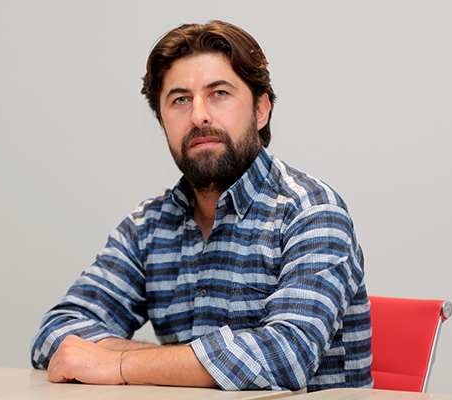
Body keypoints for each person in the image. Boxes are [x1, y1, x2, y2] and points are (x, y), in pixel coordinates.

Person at [31, 20, 372, 392]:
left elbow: (285, 357)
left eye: (219, 93)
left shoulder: (311, 212)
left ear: (261, 110)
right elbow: (57, 335)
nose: (198, 116)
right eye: (180, 100)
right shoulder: (148, 226)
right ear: (162, 122)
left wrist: (119, 362)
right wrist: (167, 363)